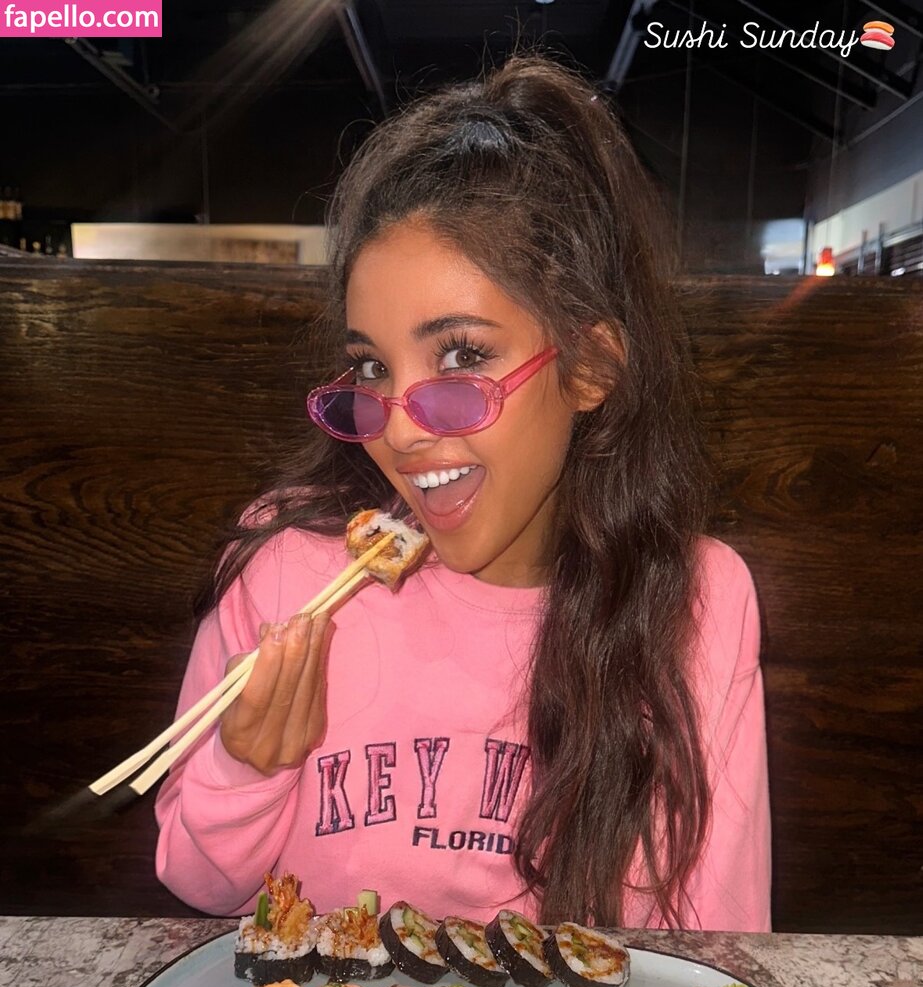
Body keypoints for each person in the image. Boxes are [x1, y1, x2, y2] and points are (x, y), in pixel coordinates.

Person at [155, 53, 770, 932]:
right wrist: (245, 767)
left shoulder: (700, 598)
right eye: (373, 367)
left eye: (461, 356)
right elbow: (194, 882)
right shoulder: (288, 565)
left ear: (590, 366)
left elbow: (720, 942)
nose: (400, 430)